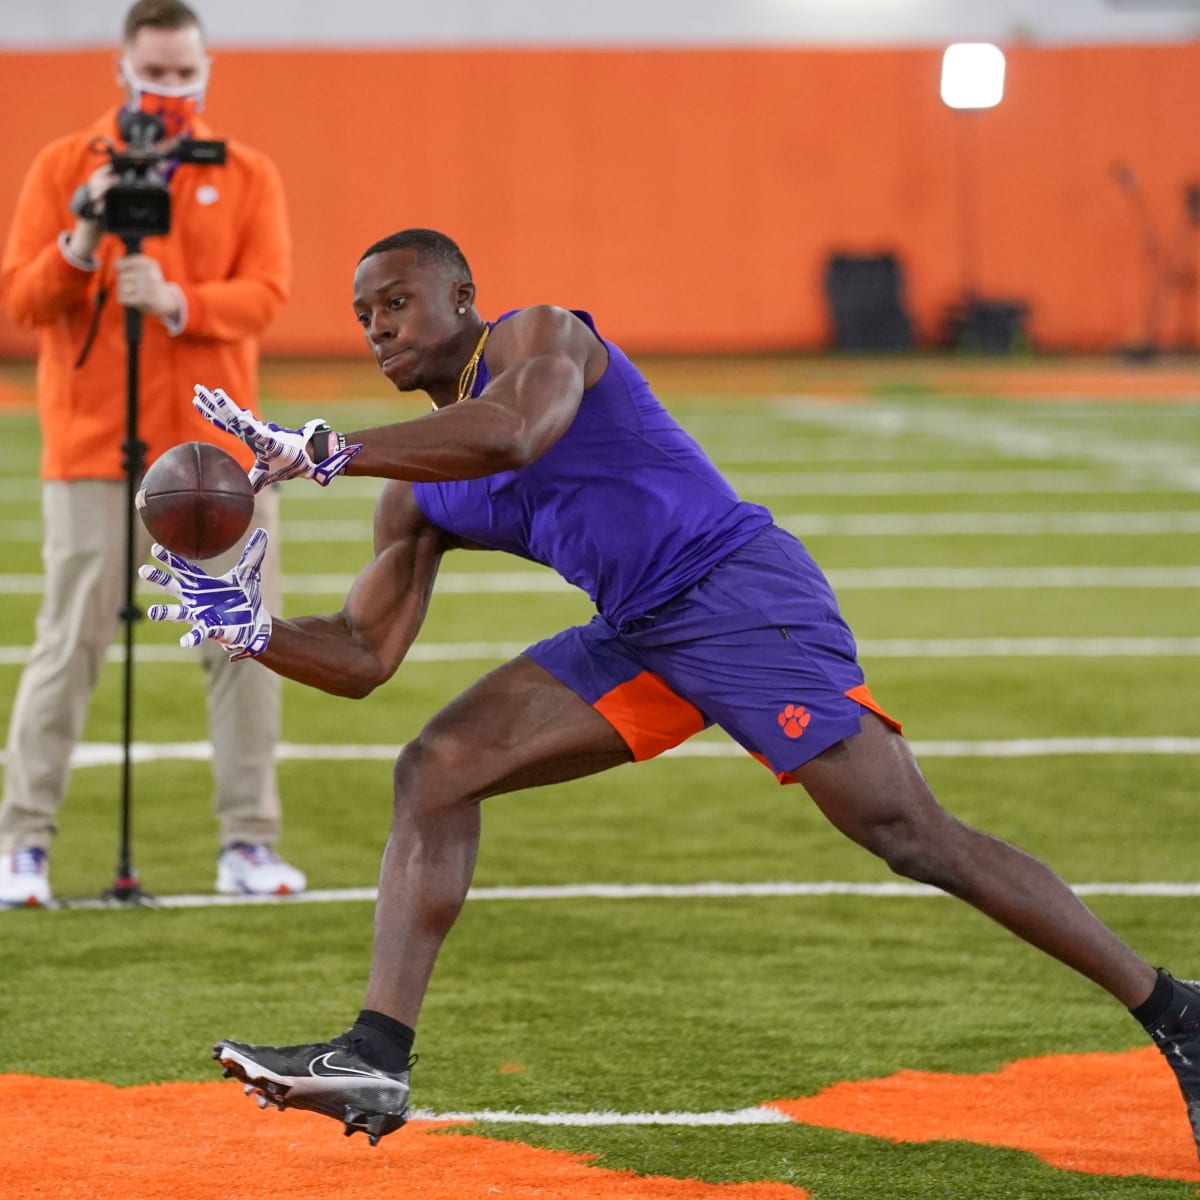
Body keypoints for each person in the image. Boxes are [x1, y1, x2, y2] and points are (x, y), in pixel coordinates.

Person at [142, 227, 1200, 1155]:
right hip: (640, 631)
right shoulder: (417, 492)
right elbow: (364, 655)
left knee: (908, 833)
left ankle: (1175, 1011)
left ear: (463, 298)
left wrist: (334, 451)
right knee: (437, 767)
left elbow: (517, 431)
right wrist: (254, 629)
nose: (378, 326)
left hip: (735, 593)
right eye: (363, 314)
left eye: (397, 301)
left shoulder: (539, 335)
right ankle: (376, 1055)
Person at [0, 0, 305, 905]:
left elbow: (269, 291)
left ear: (206, 71)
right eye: (155, 72)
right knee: (70, 642)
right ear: (122, 69)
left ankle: (248, 842)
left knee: (243, 639)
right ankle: (23, 844)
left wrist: (180, 302)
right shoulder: (66, 166)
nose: (169, 89)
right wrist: (85, 238)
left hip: (216, 451)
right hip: (95, 443)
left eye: (184, 72)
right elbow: (23, 301)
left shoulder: (246, 172)